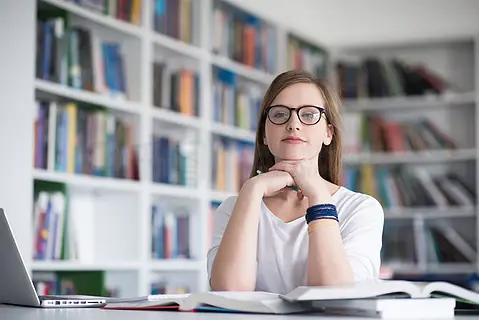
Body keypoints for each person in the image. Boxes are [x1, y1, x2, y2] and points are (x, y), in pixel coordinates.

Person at [207, 69, 384, 295]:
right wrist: (252, 189)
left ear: (328, 133)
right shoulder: (233, 207)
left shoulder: (361, 209)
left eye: (309, 115)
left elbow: (334, 296)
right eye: (280, 114)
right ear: (263, 133)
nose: (293, 124)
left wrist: (318, 196)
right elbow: (230, 290)